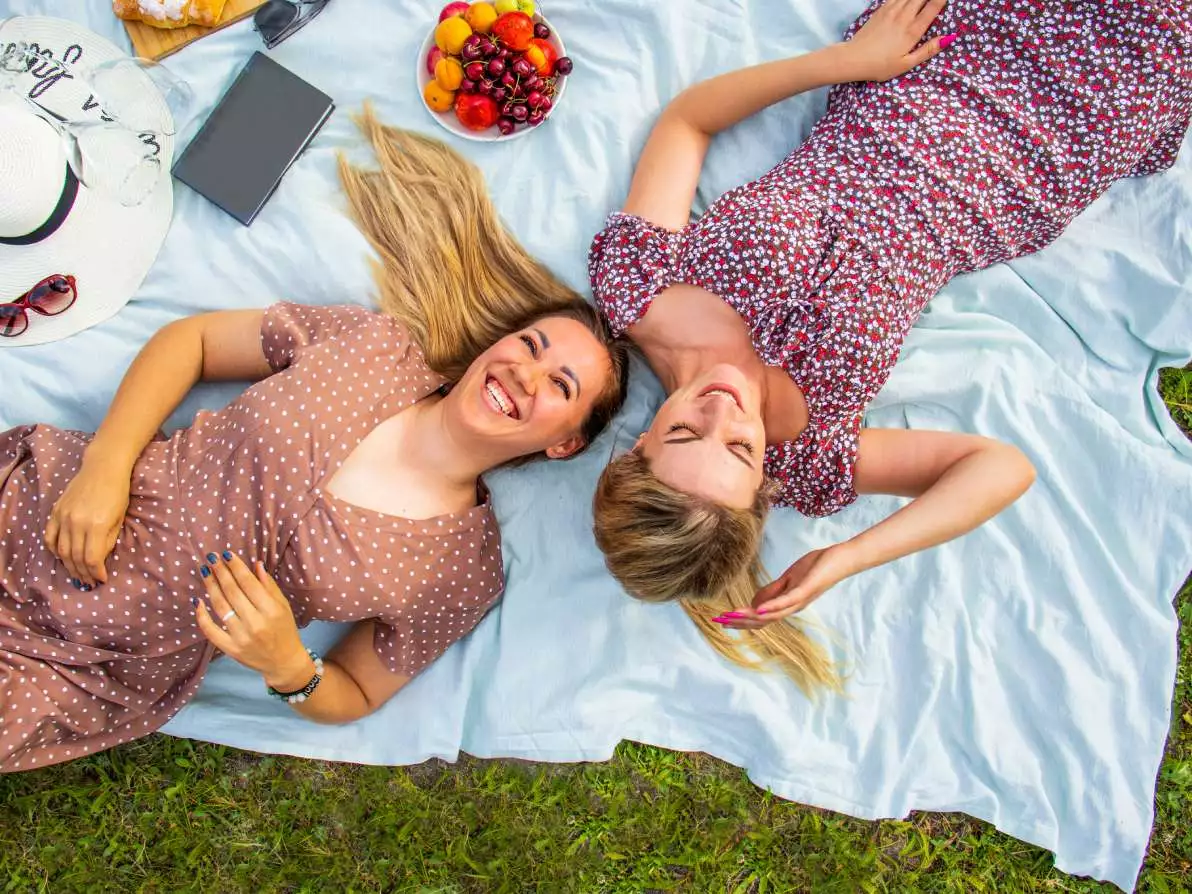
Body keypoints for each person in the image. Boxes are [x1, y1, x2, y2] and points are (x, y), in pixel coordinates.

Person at [0, 108, 629, 772]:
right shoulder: (374, 346)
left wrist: (287, 665)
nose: (524, 374)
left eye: (560, 386)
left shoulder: (460, 572)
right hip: (43, 508)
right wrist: (106, 464)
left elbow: (357, 691)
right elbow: (193, 342)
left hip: (96, 663)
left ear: (566, 443)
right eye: (529, 345)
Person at [589, 0, 1190, 692]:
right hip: (1032, 158)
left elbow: (686, 123)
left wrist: (842, 64)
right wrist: (849, 556)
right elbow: (1000, 467)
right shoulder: (812, 458)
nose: (726, 411)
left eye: (688, 431)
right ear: (762, 486)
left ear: (640, 446)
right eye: (740, 449)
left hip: (914, 73)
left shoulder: (639, 291)